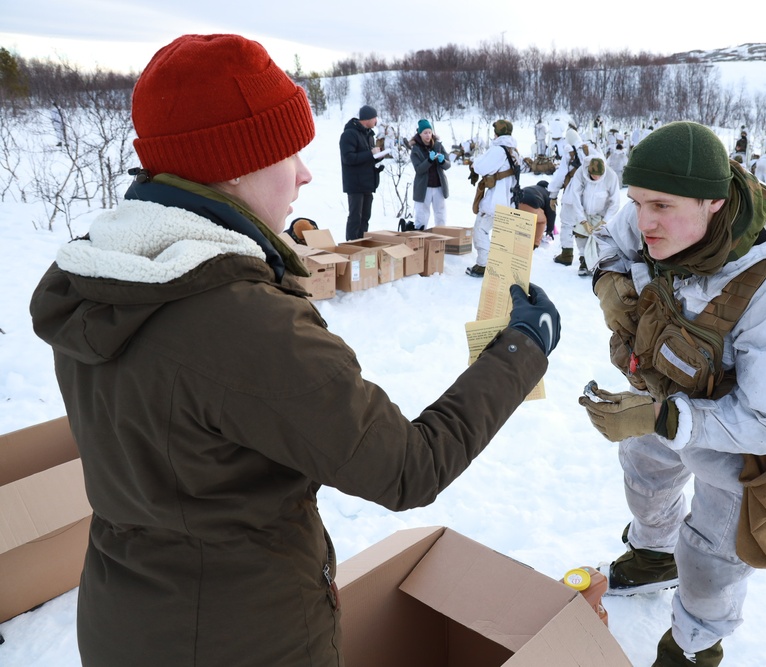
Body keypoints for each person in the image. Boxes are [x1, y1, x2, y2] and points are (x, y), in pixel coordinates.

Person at [28, 34, 562, 667]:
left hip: (127, 619)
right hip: (246, 640)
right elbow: (407, 467)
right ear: (232, 163)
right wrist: (522, 348)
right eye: (289, 153)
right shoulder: (241, 323)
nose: (307, 174)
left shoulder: (105, 277)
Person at [579, 121, 766, 666]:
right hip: (665, 393)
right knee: (645, 478)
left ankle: (694, 646)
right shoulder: (657, 211)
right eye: (637, 201)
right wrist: (609, 285)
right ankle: (651, 557)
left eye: (661, 207)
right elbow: (610, 239)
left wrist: (665, 419)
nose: (644, 221)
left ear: (714, 202)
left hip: (739, 442)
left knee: (712, 558)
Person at [468, 119, 521, 277]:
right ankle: (501, 264)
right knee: (502, 235)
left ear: (497, 133)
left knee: (480, 230)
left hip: (496, 201)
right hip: (509, 200)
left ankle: (484, 265)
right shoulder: (513, 149)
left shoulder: (498, 150)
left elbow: (481, 167)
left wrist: (474, 163)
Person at [553, 153, 620, 276]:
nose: (595, 178)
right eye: (593, 175)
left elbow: (615, 201)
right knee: (581, 234)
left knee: (598, 238)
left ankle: (597, 263)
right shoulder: (581, 173)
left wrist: (605, 220)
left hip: (601, 212)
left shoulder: (611, 176)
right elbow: (576, 197)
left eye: (598, 176)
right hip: (583, 210)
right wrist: (583, 220)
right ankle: (583, 261)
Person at [340, 103, 385, 240]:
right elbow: (348, 158)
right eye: (375, 118)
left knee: (365, 217)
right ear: (367, 118)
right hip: (355, 184)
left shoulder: (370, 135)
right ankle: (350, 246)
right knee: (355, 217)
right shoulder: (349, 134)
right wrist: (371, 154)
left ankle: (362, 244)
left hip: (367, 184)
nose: (376, 121)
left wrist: (377, 158)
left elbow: (367, 158)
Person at [409, 118, 451, 229]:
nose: (428, 135)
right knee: (422, 216)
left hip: (438, 186)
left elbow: (448, 165)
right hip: (424, 187)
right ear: (420, 134)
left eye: (429, 132)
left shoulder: (438, 145)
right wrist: (429, 160)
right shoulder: (415, 150)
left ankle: (441, 236)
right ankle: (419, 238)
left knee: (440, 214)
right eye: (425, 133)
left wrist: (442, 161)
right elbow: (419, 170)